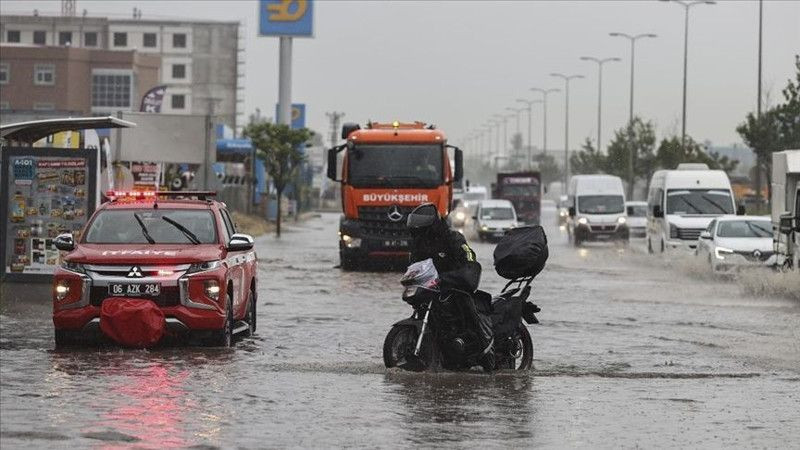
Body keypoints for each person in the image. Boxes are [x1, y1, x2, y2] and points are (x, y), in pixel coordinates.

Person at [406, 203, 494, 369]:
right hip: (433, 287)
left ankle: (485, 353)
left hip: (456, 284)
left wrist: (467, 268)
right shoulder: (418, 245)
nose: (418, 233)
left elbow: (468, 255)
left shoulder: (452, 238)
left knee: (467, 309)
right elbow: (414, 266)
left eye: (421, 229)